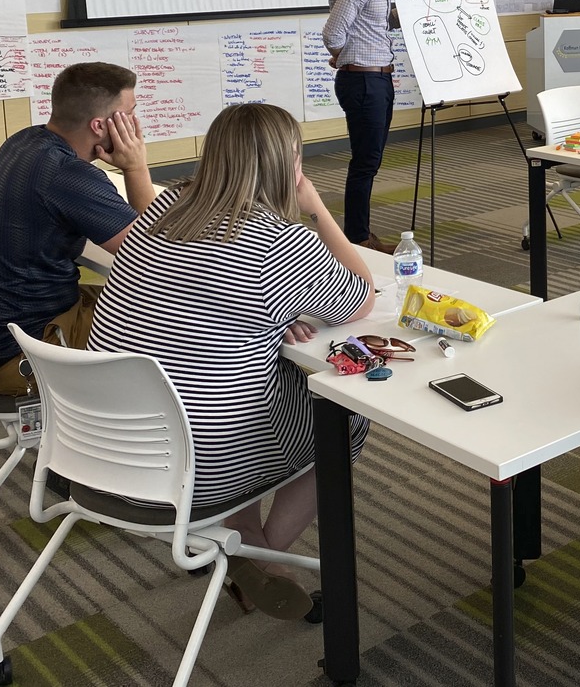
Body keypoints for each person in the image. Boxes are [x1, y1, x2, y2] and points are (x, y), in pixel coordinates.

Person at [88, 103, 375, 620]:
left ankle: (242, 539)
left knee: (222, 383)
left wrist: (268, 309)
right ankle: (259, 559)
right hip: (197, 459)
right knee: (344, 420)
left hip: (106, 444)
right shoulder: (279, 239)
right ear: (288, 164)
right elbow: (363, 296)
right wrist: (316, 207)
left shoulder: (161, 207)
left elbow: (189, 297)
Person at [0, 62, 153, 395]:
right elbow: (156, 253)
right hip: (27, 352)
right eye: (130, 113)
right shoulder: (68, 174)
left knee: (140, 300)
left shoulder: (24, 140)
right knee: (173, 320)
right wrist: (136, 165)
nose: (135, 124)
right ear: (100, 126)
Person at [323, 0, 402, 254]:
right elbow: (334, 31)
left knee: (369, 160)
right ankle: (357, 238)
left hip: (377, 80)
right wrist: (343, 55)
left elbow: (376, 23)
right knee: (365, 162)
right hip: (364, 82)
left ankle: (359, 233)